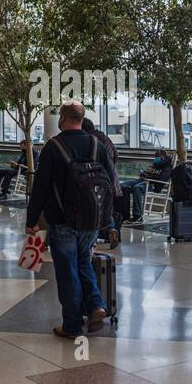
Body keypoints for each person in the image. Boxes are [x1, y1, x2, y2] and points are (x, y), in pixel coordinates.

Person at [26, 102, 117, 339]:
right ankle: (96, 305)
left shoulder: (53, 147)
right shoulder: (97, 145)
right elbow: (110, 183)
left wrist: (32, 219)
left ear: (63, 119)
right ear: (81, 118)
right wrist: (109, 220)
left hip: (63, 220)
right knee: (84, 263)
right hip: (92, 221)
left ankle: (73, 325)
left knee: (67, 272)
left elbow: (41, 188)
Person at [81, 118, 123, 249]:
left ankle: (92, 241)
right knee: (105, 209)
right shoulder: (105, 138)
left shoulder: (89, 141)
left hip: (94, 181)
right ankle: (111, 229)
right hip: (111, 181)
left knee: (93, 209)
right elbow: (115, 155)